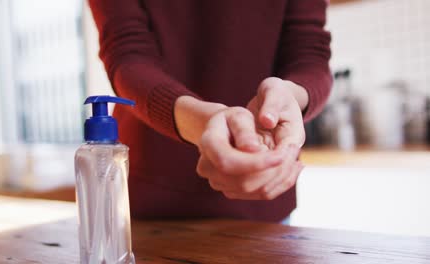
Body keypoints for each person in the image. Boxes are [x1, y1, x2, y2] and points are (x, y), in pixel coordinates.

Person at [89, 0, 332, 222]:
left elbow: (309, 52)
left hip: (265, 198)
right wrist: (204, 122)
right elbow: (127, 53)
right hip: (153, 205)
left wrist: (290, 97)